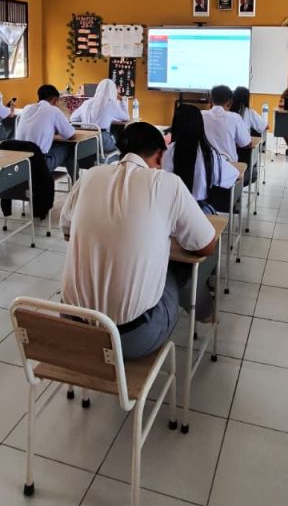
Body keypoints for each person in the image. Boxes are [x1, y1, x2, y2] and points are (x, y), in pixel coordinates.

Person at [60, 123, 218, 359]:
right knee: (179, 268)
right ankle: (207, 314)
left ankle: (205, 313)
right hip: (130, 339)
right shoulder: (167, 183)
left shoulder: (90, 175)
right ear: (159, 155)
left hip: (70, 328)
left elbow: (67, 232)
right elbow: (206, 245)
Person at [163, 104, 239, 214]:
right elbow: (233, 175)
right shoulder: (207, 152)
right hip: (200, 211)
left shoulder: (168, 151)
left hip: (172, 209)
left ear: (175, 125)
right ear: (200, 126)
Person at [15, 84, 76, 172]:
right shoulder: (54, 110)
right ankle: (76, 179)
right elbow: (71, 136)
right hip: (40, 163)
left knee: (52, 146)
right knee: (69, 148)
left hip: (21, 162)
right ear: (55, 100)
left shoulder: (27, 108)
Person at [70, 78, 129, 153]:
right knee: (119, 134)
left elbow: (73, 119)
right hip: (102, 141)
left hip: (85, 141)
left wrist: (87, 119)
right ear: (114, 91)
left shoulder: (86, 103)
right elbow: (126, 118)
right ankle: (119, 156)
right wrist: (122, 101)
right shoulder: (110, 105)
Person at [202, 85, 250, 163]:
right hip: (229, 164)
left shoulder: (200, 115)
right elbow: (246, 144)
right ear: (230, 102)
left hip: (205, 163)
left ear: (210, 101)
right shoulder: (235, 117)